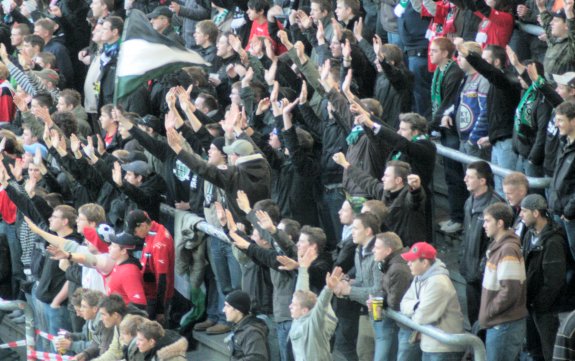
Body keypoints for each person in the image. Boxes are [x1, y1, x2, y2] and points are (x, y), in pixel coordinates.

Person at [520, 194, 566, 361]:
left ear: (536, 213)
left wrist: (538, 304)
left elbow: (554, 281)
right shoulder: (529, 234)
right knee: (534, 349)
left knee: (549, 352)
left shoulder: (553, 241)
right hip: (532, 305)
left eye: (524, 211)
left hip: (546, 310)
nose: (520, 215)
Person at [400, 242, 465, 360]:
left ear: (424, 263)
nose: (408, 264)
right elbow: (403, 304)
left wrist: (414, 310)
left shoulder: (438, 282)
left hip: (444, 348)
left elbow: (421, 317)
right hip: (431, 344)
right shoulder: (418, 277)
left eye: (412, 261)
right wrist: (417, 306)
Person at [479, 203, 528, 361]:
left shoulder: (507, 250)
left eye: (487, 221)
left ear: (500, 223)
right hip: (501, 324)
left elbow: (510, 291)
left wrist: (489, 311)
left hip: (504, 325)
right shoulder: (499, 246)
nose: (484, 225)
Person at [460, 161, 503, 326]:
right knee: (473, 315)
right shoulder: (469, 202)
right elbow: (465, 233)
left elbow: (497, 243)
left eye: (470, 177)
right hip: (470, 270)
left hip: (485, 274)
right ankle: (475, 348)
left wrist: (481, 269)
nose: (465, 179)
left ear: (482, 181)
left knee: (485, 317)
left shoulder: (495, 206)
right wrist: (462, 259)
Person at [287, 251, 341, 361]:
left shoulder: (313, 323)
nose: (290, 306)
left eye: (294, 305)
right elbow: (301, 290)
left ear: (305, 311)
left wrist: (328, 289)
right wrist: (303, 269)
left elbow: (321, 306)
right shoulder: (298, 318)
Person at [371, 232, 412, 361]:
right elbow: (385, 290)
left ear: (388, 250)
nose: (373, 250)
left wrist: (380, 301)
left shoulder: (398, 268)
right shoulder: (390, 264)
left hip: (408, 326)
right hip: (402, 325)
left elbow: (395, 302)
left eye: (377, 247)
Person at [548, 101, 575, 261]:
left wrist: (569, 211)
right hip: (560, 211)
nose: (557, 125)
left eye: (561, 120)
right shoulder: (565, 142)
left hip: (570, 215)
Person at [223, 290, 270, 361]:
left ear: (238, 309)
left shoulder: (252, 333)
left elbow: (257, 358)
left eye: (227, 306)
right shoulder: (239, 326)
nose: (224, 310)